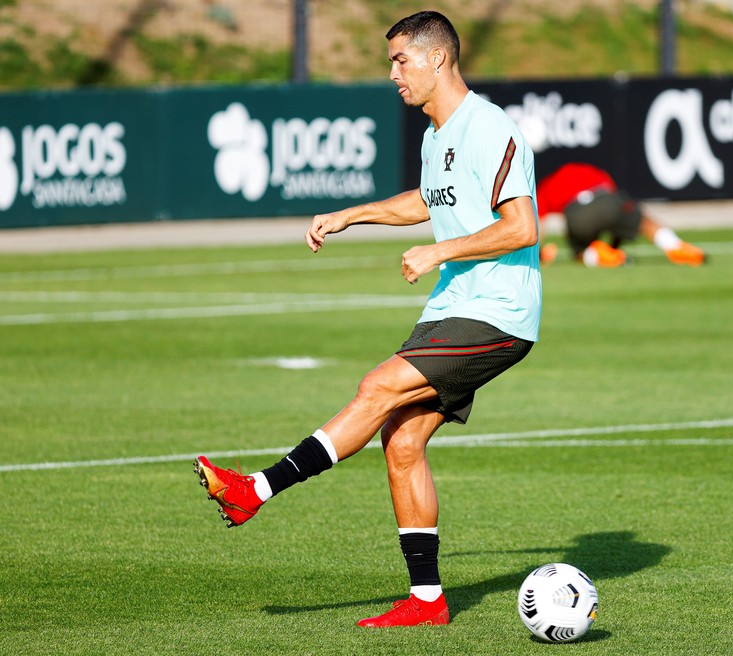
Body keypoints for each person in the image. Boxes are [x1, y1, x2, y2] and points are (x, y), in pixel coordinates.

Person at [194, 11, 541, 629]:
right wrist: (351, 215)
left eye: (401, 60)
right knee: (402, 440)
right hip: (455, 306)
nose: (393, 74)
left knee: (377, 387)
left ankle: (254, 492)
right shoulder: (437, 133)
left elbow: (522, 225)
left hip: (496, 312)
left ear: (438, 59)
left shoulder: (489, 127)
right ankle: (429, 602)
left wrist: (440, 250)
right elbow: (427, 200)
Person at [535, 162, 706, 267]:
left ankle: (600, 257)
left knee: (579, 252)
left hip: (577, 215)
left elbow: (538, 224)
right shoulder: (592, 172)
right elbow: (616, 210)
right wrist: (615, 243)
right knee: (643, 222)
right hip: (608, 200)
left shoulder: (547, 184)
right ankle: (676, 246)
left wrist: (539, 254)